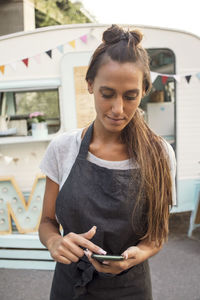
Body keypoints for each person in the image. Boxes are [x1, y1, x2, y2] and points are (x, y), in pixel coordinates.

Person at [38, 24, 176, 300]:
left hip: (130, 289)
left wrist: (140, 254)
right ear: (90, 85)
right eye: (107, 93)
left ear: (144, 90)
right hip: (69, 287)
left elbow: (157, 236)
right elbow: (47, 221)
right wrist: (55, 242)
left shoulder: (160, 154)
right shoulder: (63, 149)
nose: (117, 109)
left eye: (130, 96)